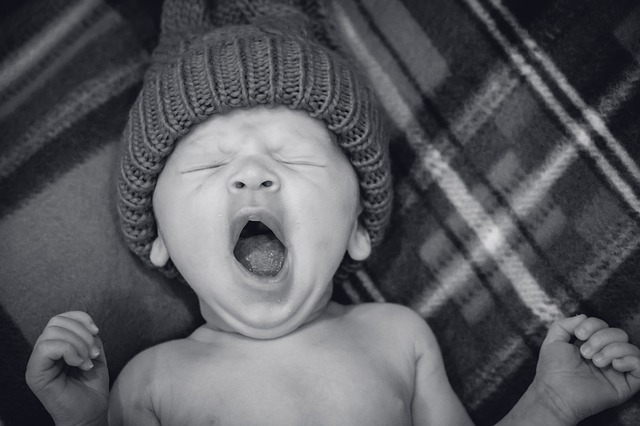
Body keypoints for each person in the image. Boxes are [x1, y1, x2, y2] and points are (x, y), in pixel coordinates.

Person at [25, 0, 640, 425]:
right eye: (210, 165)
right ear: (158, 238)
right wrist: (82, 419)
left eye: (296, 157)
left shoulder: (396, 338)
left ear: (357, 228)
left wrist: (552, 406)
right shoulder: (152, 381)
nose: (252, 172)